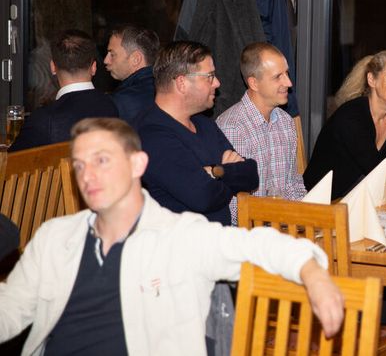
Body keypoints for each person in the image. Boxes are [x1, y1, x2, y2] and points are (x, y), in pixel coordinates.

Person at [0, 118, 343, 355]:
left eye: (102, 160)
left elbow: (260, 245)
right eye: (79, 165)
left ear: (138, 164)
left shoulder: (179, 236)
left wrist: (313, 275)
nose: (88, 175)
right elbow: (9, 311)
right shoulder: (55, 239)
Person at [134, 41, 258, 225]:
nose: (217, 83)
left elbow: (250, 175)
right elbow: (204, 197)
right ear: (182, 83)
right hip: (180, 247)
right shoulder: (151, 134)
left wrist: (215, 172)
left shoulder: (203, 124)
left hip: (218, 242)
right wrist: (228, 175)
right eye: (209, 76)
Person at [304, 51, 386, 199]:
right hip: (326, 202)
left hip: (362, 197)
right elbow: (377, 174)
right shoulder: (351, 117)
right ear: (372, 79)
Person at [217, 43, 306, 224]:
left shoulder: (285, 122)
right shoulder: (234, 127)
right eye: (277, 77)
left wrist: (307, 217)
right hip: (245, 238)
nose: (288, 83)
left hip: (281, 228)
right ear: (254, 83)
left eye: (287, 73)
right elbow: (234, 208)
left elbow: (293, 186)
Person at [10, 30, 118, 152]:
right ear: (93, 68)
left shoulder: (44, 120)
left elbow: (9, 165)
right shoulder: (111, 106)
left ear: (52, 67)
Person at [104, 25, 160, 123]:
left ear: (136, 59)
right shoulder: (168, 90)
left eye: (112, 54)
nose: (106, 60)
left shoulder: (121, 102)